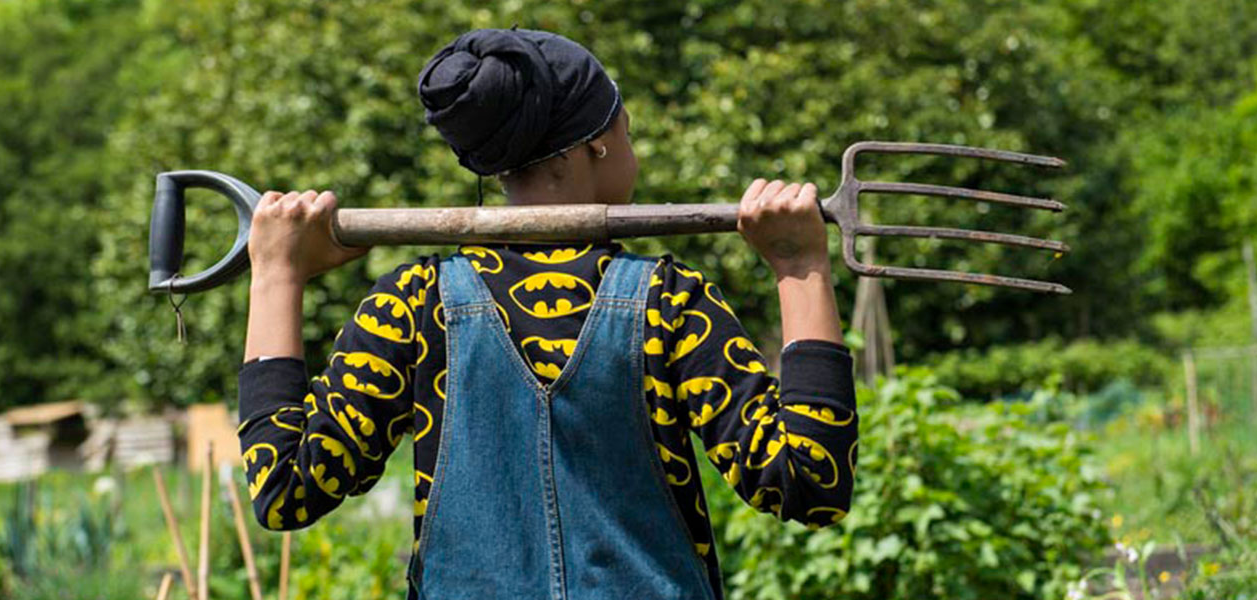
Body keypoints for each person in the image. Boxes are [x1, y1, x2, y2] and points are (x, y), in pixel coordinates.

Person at [235, 27, 857, 600]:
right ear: (591, 149)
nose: (631, 148)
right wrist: (800, 267)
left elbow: (283, 488)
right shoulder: (669, 303)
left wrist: (277, 277)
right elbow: (811, 483)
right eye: (627, 131)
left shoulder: (411, 306)